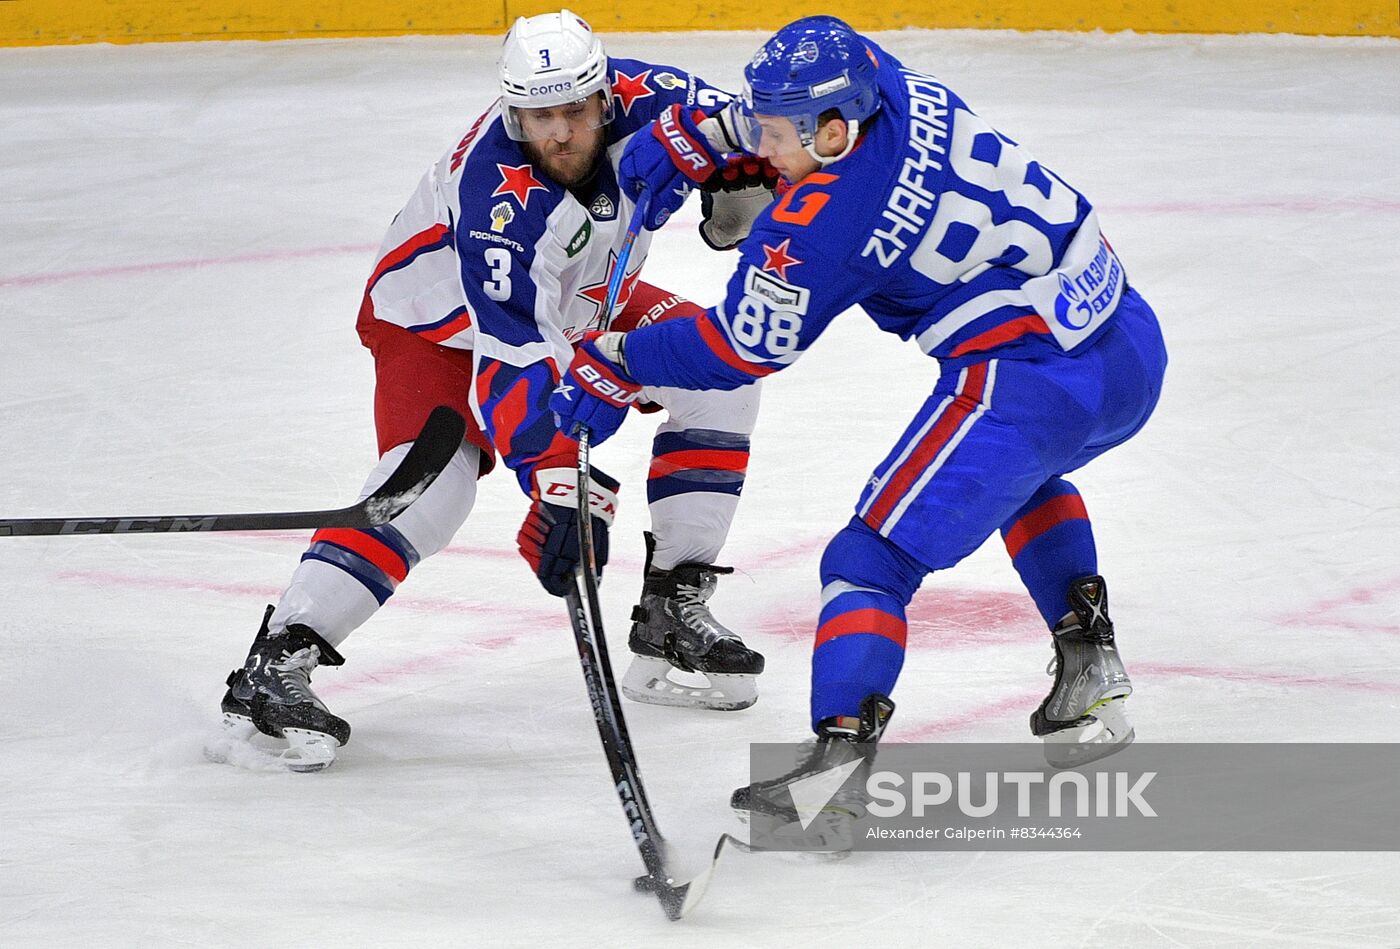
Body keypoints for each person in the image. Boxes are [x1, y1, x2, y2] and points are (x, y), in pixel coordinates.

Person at [551, 15, 1168, 825]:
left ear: (833, 133)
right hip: (1125, 339)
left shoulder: (820, 228)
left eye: (778, 134)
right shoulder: (879, 75)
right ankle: (1089, 663)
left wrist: (623, 357)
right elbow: (800, 99)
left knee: (867, 559)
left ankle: (835, 771)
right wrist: (718, 133)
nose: (765, 147)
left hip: (1027, 383)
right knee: (1023, 480)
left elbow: (741, 346)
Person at [211, 10, 776, 772]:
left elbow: (765, 135)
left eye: (575, 110)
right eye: (540, 116)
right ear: (514, 110)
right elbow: (512, 362)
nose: (561, 133)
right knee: (433, 489)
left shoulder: (668, 103)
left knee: (720, 376)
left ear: (604, 96)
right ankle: (278, 660)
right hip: (438, 328)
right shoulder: (499, 206)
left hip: (580, 302)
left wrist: (767, 178)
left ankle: (673, 604)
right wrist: (555, 485)